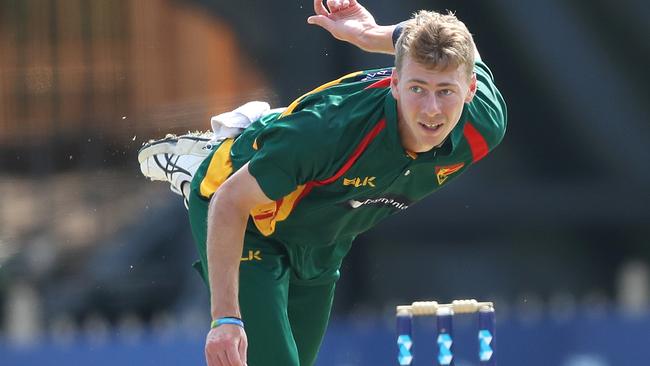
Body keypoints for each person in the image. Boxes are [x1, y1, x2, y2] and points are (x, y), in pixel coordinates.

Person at [138, 0, 507, 365]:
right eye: (417, 88)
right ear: (395, 83)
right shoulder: (332, 130)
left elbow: (465, 46)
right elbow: (229, 202)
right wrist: (225, 320)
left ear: (470, 89)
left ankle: (251, 143)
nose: (430, 109)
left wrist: (370, 34)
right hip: (249, 219)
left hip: (323, 238)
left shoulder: (485, 122)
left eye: (445, 91)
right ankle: (218, 159)